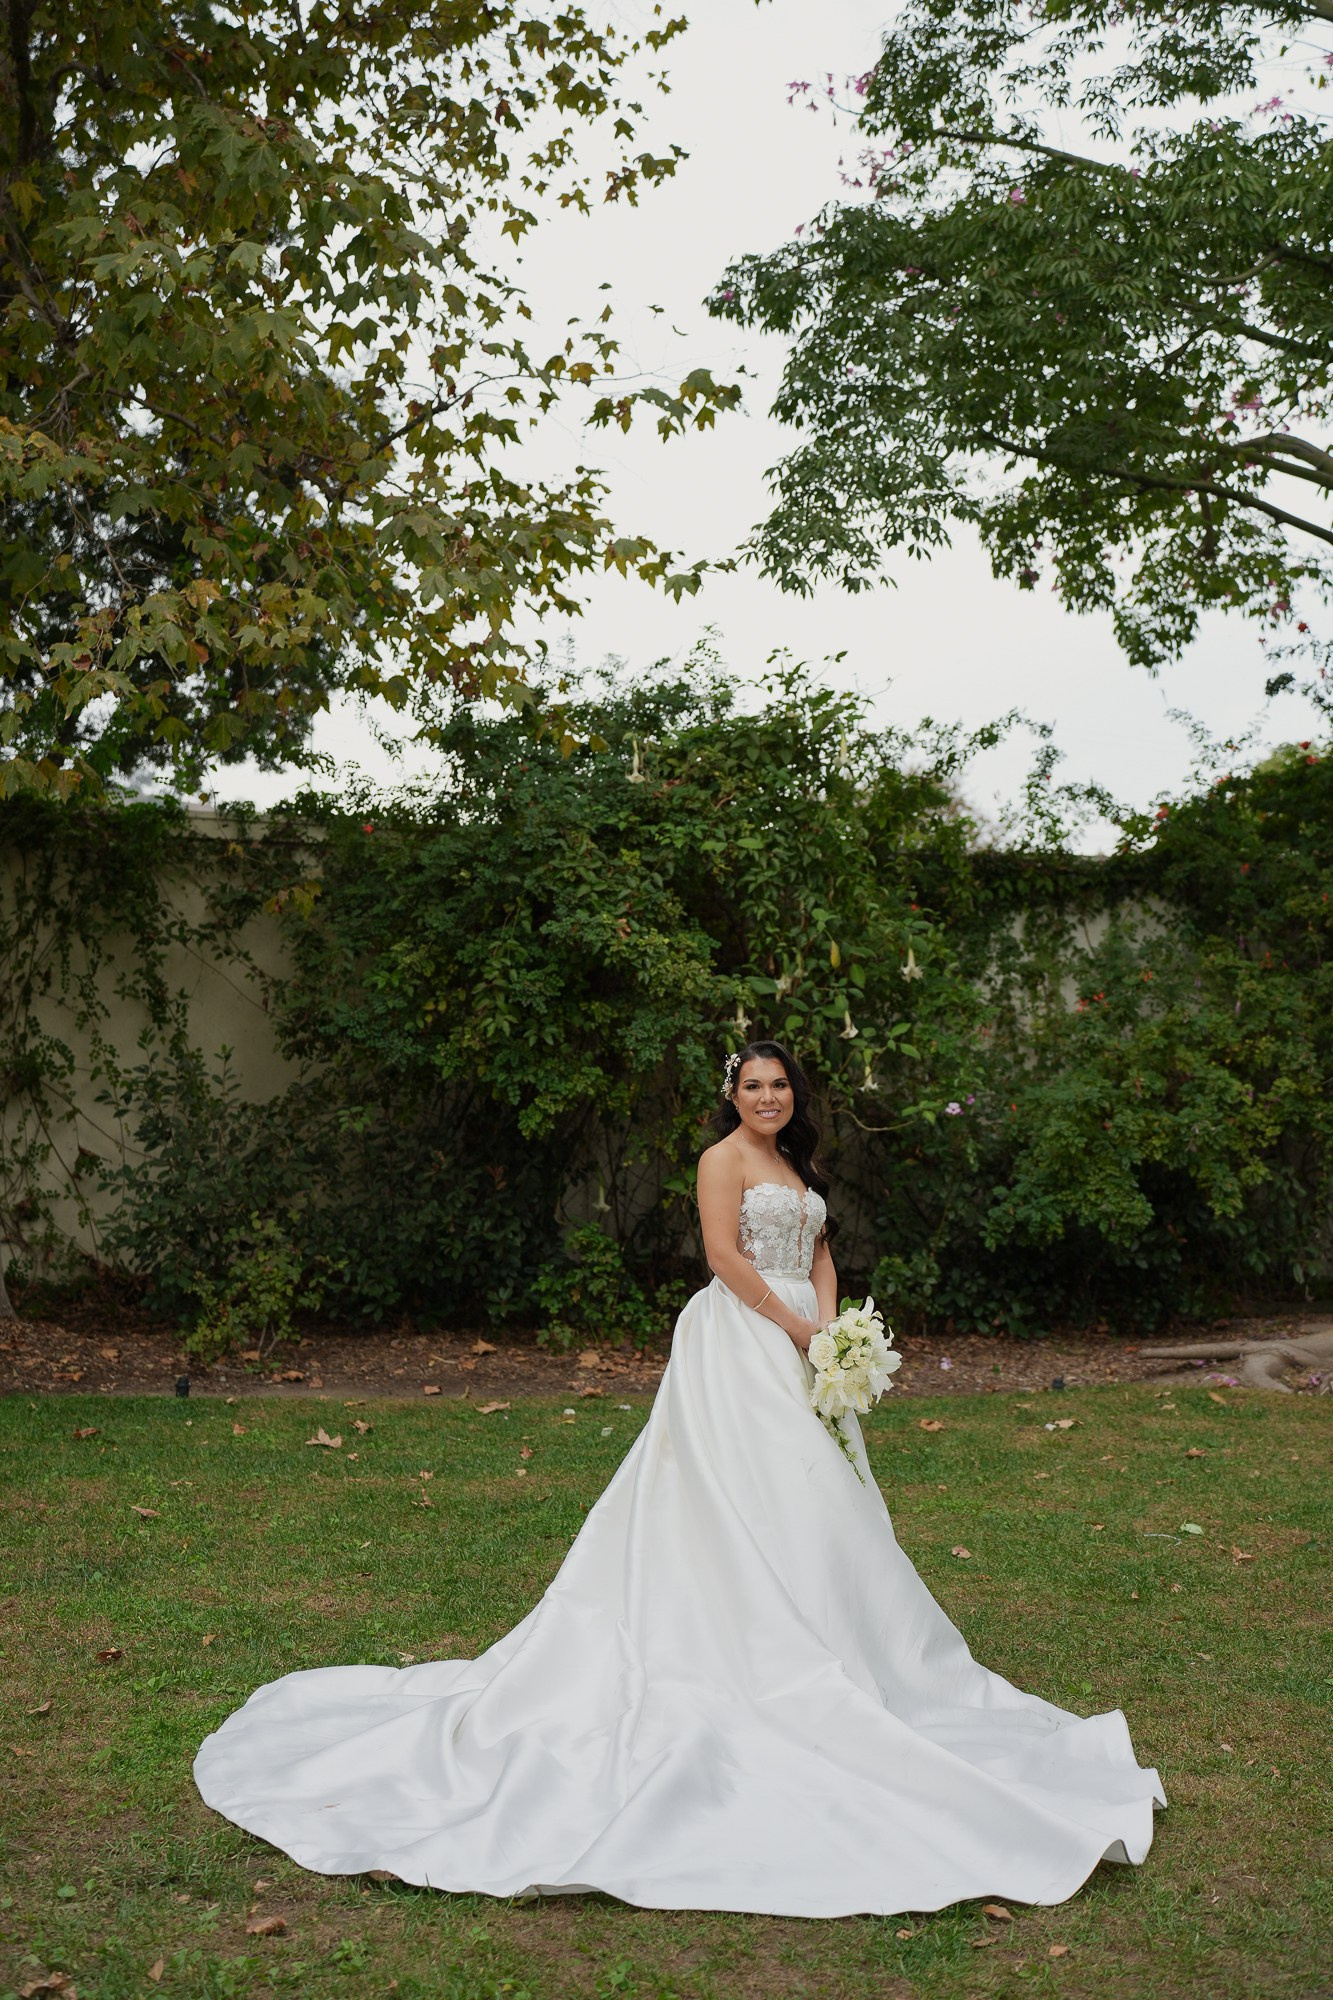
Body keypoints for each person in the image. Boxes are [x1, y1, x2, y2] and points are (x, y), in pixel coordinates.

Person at [194, 1040, 1164, 1917]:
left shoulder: (796, 1164)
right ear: (732, 1095)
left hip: (804, 1339)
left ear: (794, 1095)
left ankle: (841, 1639)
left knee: (824, 1505)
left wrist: (831, 1329)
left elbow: (819, 1248)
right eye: (754, 1084)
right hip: (740, 1339)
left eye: (781, 1083)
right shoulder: (723, 1159)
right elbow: (723, 1255)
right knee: (751, 1487)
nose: (769, 1096)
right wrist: (796, 1330)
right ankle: (747, 1636)